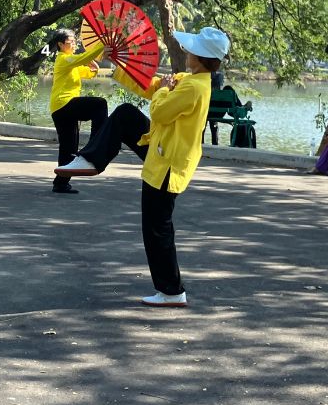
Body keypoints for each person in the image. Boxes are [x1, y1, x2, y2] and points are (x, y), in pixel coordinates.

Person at [56, 26, 231, 308]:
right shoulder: (189, 79)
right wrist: (119, 65)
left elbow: (159, 109)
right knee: (125, 114)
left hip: (168, 164)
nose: (186, 51)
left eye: (191, 50)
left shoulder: (194, 87)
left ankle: (172, 291)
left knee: (157, 228)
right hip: (161, 150)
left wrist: (163, 91)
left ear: (199, 56)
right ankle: (91, 159)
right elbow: (150, 87)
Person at [46, 28, 108, 194]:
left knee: (68, 147)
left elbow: (91, 72)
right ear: (60, 44)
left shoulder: (71, 63)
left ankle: (60, 183)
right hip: (64, 104)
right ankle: (96, 145)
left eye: (74, 41)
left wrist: (92, 62)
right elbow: (81, 58)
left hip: (60, 109)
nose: (73, 44)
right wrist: (101, 45)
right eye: (70, 42)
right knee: (100, 105)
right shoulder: (63, 59)